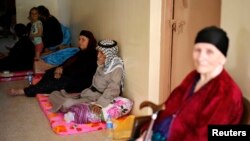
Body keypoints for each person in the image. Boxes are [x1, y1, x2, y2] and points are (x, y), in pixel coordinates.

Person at [136, 26, 243, 141]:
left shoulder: (227, 94)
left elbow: (202, 137)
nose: (201, 57)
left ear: (223, 58)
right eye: (197, 50)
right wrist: (146, 133)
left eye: (209, 52)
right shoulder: (193, 77)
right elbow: (170, 107)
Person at [48, 39, 124, 122]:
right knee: (54, 93)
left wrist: (99, 104)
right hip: (88, 92)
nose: (98, 55)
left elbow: (113, 89)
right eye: (98, 52)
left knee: (67, 104)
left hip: (96, 98)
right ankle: (68, 103)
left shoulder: (116, 68)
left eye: (101, 53)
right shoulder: (104, 63)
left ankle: (73, 108)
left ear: (109, 54)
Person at [8, 30, 97, 97]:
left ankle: (25, 91)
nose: (80, 42)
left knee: (56, 82)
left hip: (80, 82)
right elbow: (69, 62)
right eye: (79, 39)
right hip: (71, 74)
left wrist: (62, 72)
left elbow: (80, 71)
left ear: (90, 41)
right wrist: (60, 68)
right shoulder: (81, 52)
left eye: (83, 40)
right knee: (49, 72)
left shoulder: (91, 55)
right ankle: (37, 88)